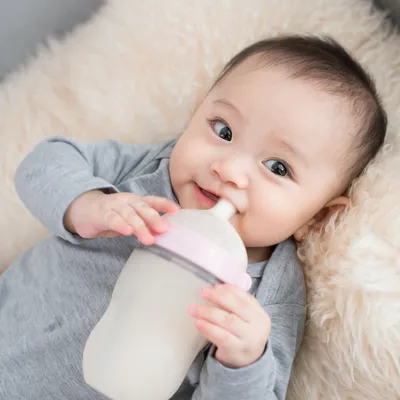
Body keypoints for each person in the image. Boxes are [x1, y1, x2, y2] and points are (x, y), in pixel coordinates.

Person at [0, 35, 387, 400]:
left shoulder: (267, 297)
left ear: (316, 219)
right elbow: (44, 162)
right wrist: (85, 204)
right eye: (223, 130)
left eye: (278, 167)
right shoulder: (152, 170)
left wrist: (242, 362)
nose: (229, 168)